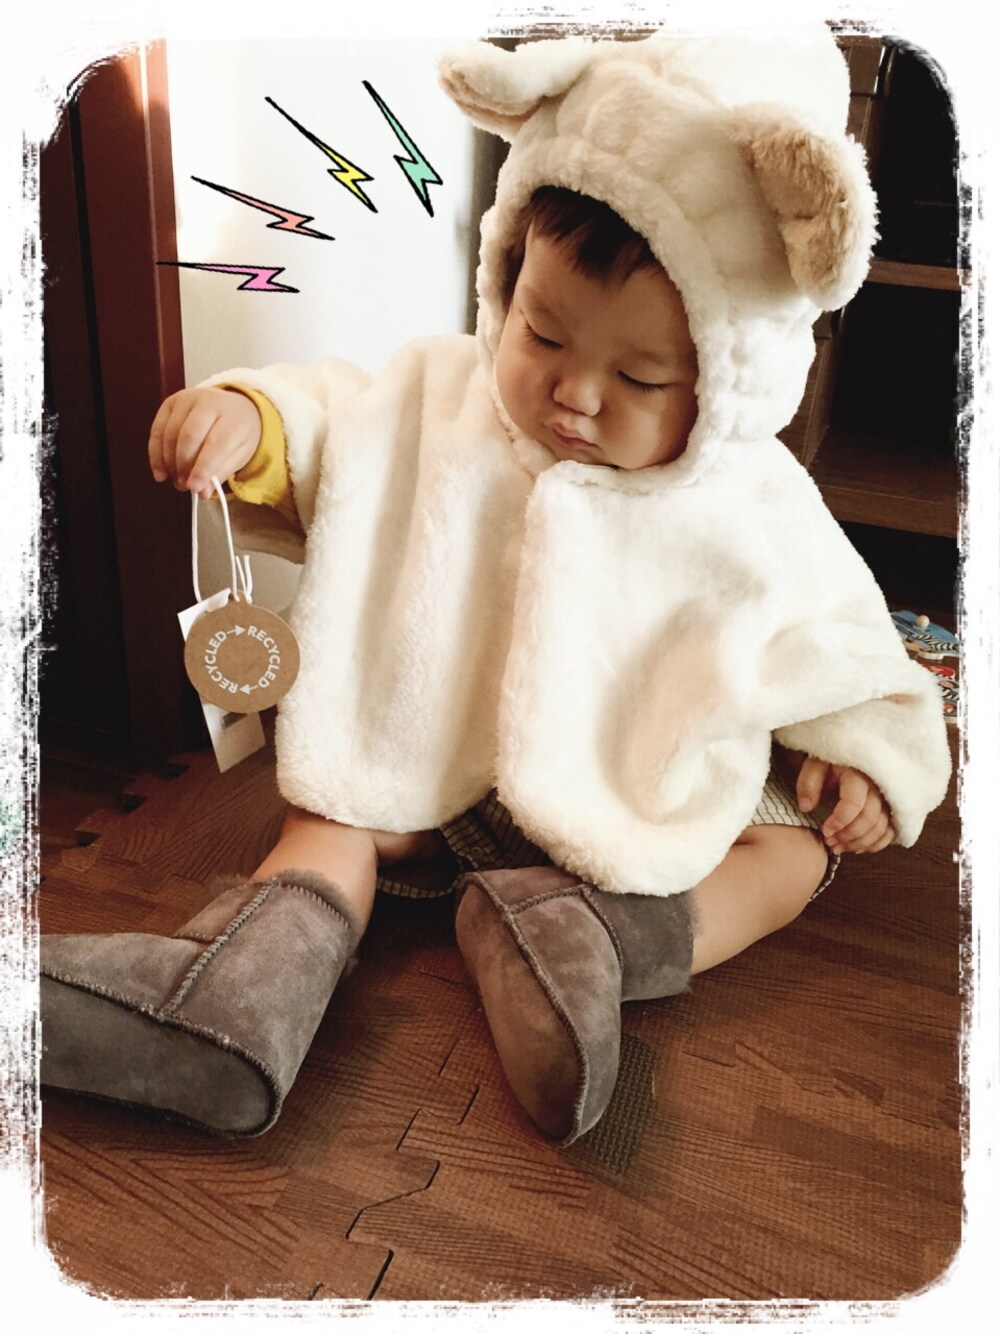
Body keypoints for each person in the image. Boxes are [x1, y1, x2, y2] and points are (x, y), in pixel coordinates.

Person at [40, 26, 951, 1147]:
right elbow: (339, 426)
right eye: (544, 333)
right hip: (437, 775)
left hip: (631, 797)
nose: (575, 395)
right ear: (506, 279)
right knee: (336, 805)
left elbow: (836, 634)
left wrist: (859, 757)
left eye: (639, 377)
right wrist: (253, 421)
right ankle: (242, 991)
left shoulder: (747, 495)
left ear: (732, 377)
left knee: (795, 850)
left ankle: (600, 942)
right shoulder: (443, 396)